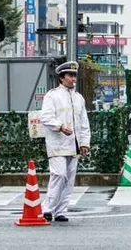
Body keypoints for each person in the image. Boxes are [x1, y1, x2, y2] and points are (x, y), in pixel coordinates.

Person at [39, 60, 91, 222]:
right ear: (61, 78)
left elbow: (84, 123)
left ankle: (60, 211)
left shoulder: (79, 98)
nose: (73, 78)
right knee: (59, 174)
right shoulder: (52, 95)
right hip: (57, 144)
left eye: (74, 75)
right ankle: (47, 209)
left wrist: (84, 143)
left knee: (69, 179)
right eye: (70, 75)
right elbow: (46, 117)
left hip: (73, 146)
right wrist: (60, 126)